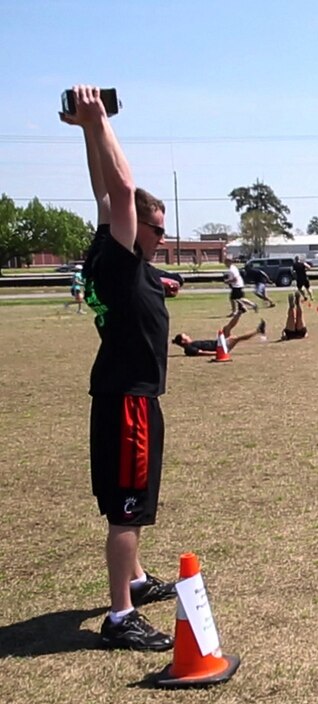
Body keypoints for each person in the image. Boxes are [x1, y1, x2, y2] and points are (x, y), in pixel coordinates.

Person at [61, 85, 176, 651]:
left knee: (128, 501)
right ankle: (120, 614)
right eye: (157, 229)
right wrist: (102, 120)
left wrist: (86, 132)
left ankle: (133, 578)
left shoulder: (106, 252)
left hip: (121, 393)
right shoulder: (124, 259)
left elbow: (106, 198)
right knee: (127, 508)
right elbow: (123, 189)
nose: (161, 237)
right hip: (128, 397)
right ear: (139, 231)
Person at [171, 311, 266, 357]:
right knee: (235, 338)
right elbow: (201, 352)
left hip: (219, 343)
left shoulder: (191, 345)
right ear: (183, 341)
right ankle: (258, 331)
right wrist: (217, 353)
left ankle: (240, 312)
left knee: (226, 328)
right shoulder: (189, 348)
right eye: (185, 336)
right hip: (220, 348)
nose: (188, 336)